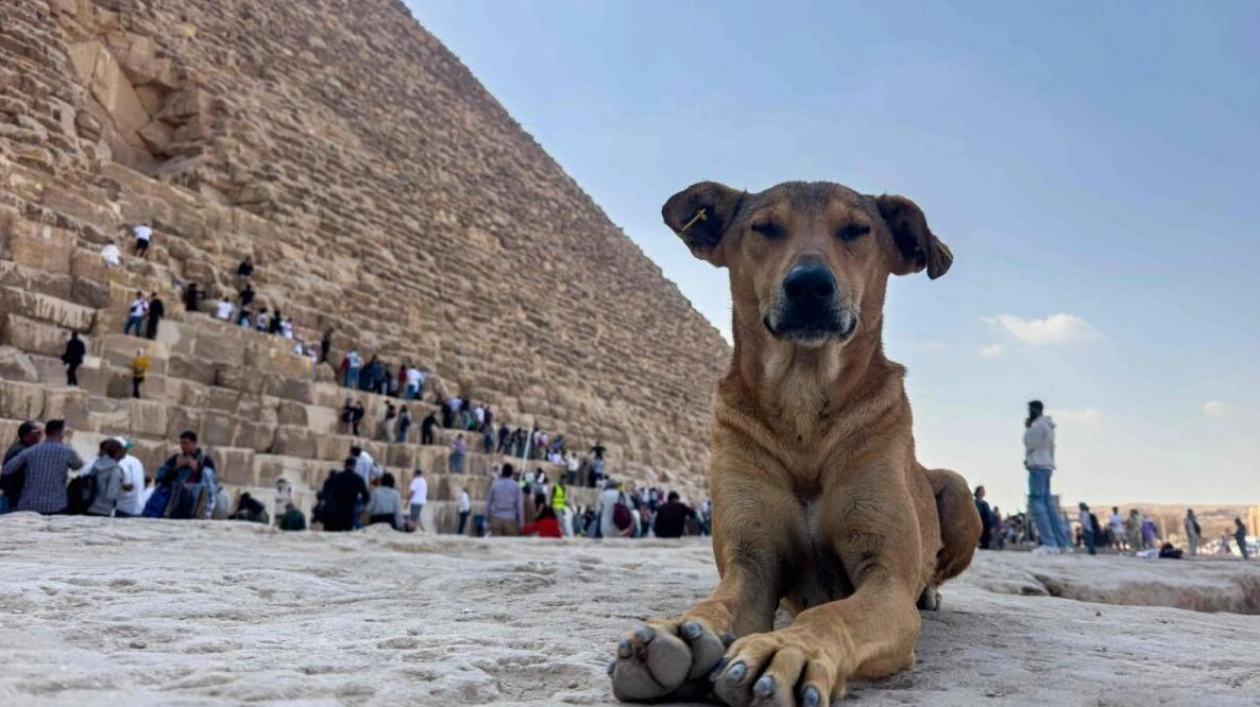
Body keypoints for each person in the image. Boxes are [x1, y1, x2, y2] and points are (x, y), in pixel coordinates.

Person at [1, 419, 84, 515]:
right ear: (60, 433)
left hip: (28, 505)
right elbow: (78, 465)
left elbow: (7, 469)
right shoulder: (68, 452)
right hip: (56, 505)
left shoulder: (30, 451)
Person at [1023, 400, 1070, 554]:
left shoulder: (1039, 426)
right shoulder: (1048, 427)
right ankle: (1062, 543)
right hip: (1047, 466)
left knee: (1037, 503)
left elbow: (1029, 443)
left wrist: (1028, 428)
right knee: (1049, 506)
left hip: (1037, 466)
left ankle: (1049, 543)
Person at [151, 431, 219, 519]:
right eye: (181, 444)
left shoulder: (205, 461)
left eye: (186, 444)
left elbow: (210, 484)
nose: (183, 447)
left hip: (196, 503)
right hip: (175, 502)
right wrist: (177, 467)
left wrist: (197, 469)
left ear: (194, 443)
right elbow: (162, 477)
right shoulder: (176, 459)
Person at [318, 458, 371, 532]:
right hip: (350, 511)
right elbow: (366, 496)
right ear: (354, 466)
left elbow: (331, 493)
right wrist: (359, 506)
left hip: (337, 512)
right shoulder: (358, 479)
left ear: (345, 466)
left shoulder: (338, 477)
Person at [1, 421, 42, 513]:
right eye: (37, 433)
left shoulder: (21, 448)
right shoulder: (22, 452)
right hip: (14, 499)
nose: (40, 436)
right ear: (27, 435)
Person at [486, 464, 524, 536]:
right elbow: (519, 506)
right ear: (511, 473)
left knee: (496, 544)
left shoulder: (495, 485)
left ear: (502, 472)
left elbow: (488, 503)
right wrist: (521, 523)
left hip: (496, 518)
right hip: (510, 519)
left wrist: (487, 518)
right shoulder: (516, 486)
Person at [113, 438, 145, 518]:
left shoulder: (121, 462)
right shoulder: (135, 460)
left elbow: (128, 485)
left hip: (122, 507)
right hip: (138, 507)